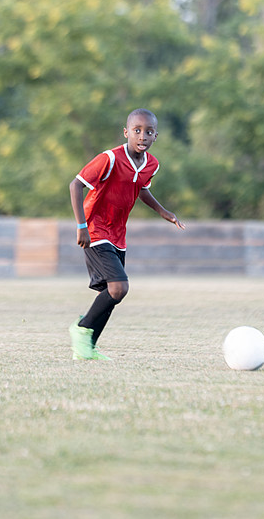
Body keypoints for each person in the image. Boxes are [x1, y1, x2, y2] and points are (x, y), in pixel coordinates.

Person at [68, 108, 185, 360]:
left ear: (156, 136)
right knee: (119, 287)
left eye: (149, 132)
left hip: (118, 233)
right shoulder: (109, 159)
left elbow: (140, 187)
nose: (143, 136)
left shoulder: (151, 164)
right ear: (126, 132)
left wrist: (163, 211)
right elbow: (75, 185)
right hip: (95, 227)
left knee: (111, 293)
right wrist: (81, 226)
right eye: (137, 130)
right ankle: (82, 329)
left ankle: (87, 348)